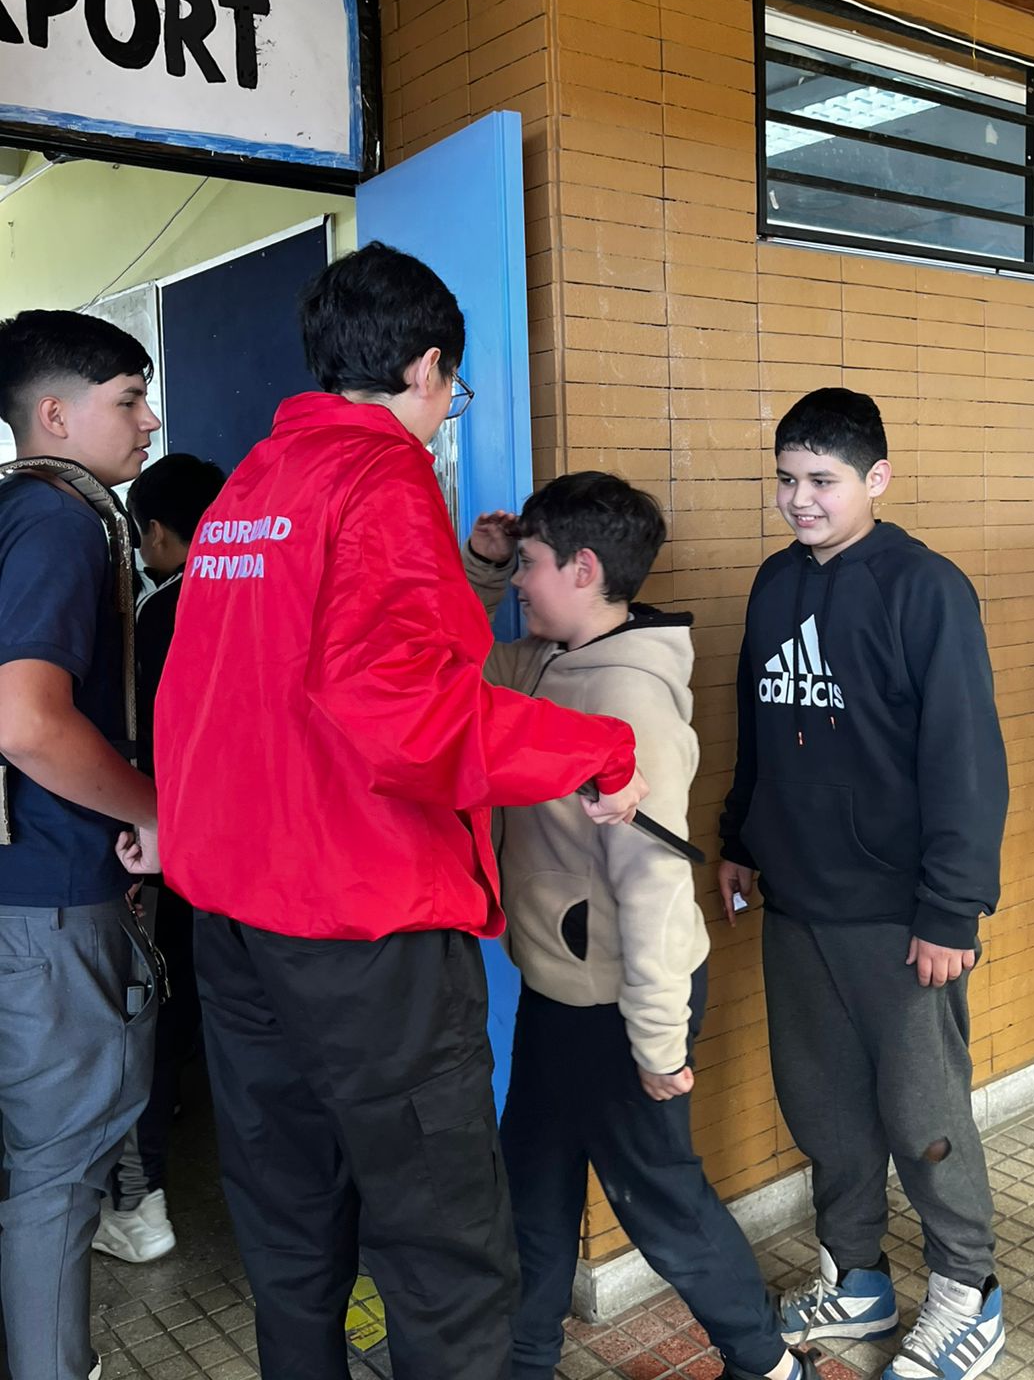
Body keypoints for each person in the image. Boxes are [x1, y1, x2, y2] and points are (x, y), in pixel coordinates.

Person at [148, 243, 648, 1380]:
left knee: (291, 1232)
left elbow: (244, 689)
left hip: (237, 927)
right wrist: (596, 748)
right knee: (443, 1253)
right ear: (427, 368)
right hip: (363, 931)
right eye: (451, 389)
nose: (445, 410)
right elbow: (408, 716)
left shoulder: (249, 489)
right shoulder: (383, 479)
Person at [463, 472, 813, 1380]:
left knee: (658, 1200)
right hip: (560, 989)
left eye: (530, 565)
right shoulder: (546, 660)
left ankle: (767, 1363)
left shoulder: (628, 701)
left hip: (624, 999)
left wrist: (657, 1043)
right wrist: (485, 571)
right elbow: (457, 675)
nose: (521, 582)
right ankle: (524, 1360)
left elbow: (655, 887)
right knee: (533, 1184)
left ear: (583, 569)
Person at [717, 388, 1009, 1380]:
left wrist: (950, 910)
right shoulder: (773, 583)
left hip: (898, 917)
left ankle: (969, 1292)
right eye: (786, 479)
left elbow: (965, 760)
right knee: (826, 1109)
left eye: (823, 480)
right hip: (797, 900)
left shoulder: (925, 589)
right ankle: (857, 1277)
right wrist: (739, 837)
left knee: (924, 1116)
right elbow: (758, 725)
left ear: (877, 479)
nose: (799, 499)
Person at [0, 309, 162, 1380]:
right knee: (57, 1175)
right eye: (129, 399)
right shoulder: (62, 521)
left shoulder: (13, 513)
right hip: (49, 895)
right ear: (54, 414)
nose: (148, 422)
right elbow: (26, 721)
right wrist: (153, 811)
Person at [92, 453, 226, 1265]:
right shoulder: (261, 593)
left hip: (174, 849)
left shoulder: (161, 611)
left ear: (158, 532)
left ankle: (139, 1206)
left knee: (155, 1014)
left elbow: (140, 742)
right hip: (254, 861)